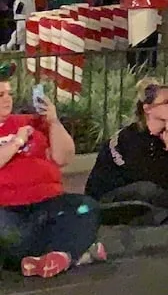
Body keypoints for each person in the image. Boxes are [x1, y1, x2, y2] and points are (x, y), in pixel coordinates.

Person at [0, 76, 104, 277]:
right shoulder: (22, 131)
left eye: (9, 94)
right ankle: (78, 251)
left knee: (87, 208)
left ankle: (61, 255)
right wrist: (17, 141)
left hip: (49, 203)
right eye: (0, 95)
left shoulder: (29, 122)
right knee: (9, 235)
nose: (7, 99)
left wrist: (54, 122)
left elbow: (63, 157)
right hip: (7, 209)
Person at [84, 80, 168, 223]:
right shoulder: (128, 137)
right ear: (147, 108)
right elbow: (147, 177)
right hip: (111, 198)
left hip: (155, 194)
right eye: (167, 102)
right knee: (147, 189)